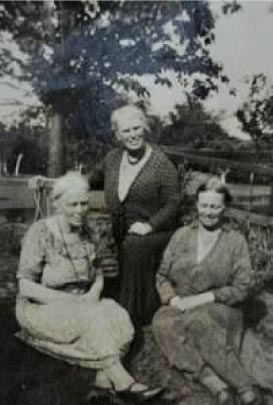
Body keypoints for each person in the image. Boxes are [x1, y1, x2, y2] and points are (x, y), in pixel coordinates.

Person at [16, 172, 162, 401]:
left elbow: (99, 273)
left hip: (84, 302)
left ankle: (102, 382)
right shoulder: (40, 233)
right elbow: (26, 287)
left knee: (117, 315)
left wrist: (93, 293)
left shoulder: (89, 232)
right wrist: (73, 302)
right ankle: (126, 384)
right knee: (94, 320)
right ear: (57, 204)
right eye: (72, 204)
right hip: (42, 307)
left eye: (84, 203)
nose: (80, 210)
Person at [152, 177, 258, 404]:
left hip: (219, 306)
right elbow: (162, 275)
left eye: (215, 206)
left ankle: (243, 385)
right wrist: (171, 299)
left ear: (225, 208)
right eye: (204, 205)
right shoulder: (181, 235)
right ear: (197, 205)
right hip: (180, 302)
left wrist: (205, 297)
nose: (209, 212)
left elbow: (243, 286)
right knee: (163, 324)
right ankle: (211, 380)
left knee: (199, 320)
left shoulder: (235, 241)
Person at [89, 104, 181, 329]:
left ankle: (130, 317)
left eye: (136, 128)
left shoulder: (160, 164)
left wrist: (150, 225)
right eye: (126, 131)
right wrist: (62, 185)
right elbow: (91, 179)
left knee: (134, 246)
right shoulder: (113, 158)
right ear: (118, 135)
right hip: (123, 231)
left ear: (145, 128)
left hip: (158, 232)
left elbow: (174, 203)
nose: (132, 135)